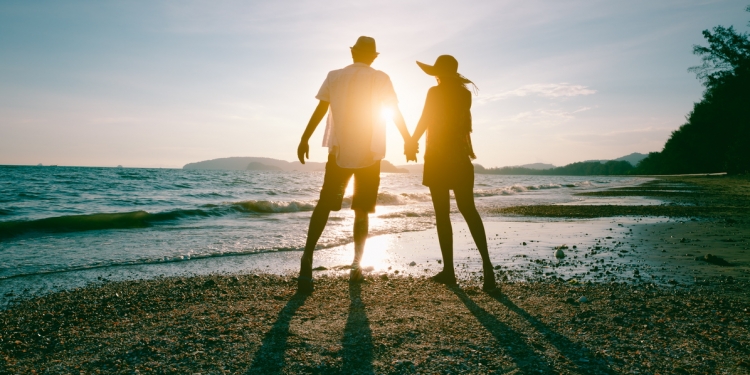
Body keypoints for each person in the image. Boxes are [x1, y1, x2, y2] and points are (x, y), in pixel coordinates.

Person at [296, 36, 415, 294]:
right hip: (369, 155)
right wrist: (407, 139)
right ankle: (355, 266)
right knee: (361, 210)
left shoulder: (334, 76)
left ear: (352, 53)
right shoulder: (381, 77)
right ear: (373, 56)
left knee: (325, 203)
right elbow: (393, 111)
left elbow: (320, 110)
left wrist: (305, 138)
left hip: (339, 152)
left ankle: (307, 259)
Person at [410, 55, 497, 291]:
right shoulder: (464, 94)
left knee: (442, 214)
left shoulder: (435, 92)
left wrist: (412, 142)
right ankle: (487, 268)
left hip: (438, 157)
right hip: (460, 157)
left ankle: (449, 271)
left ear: (439, 72)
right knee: (468, 209)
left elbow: (426, 118)